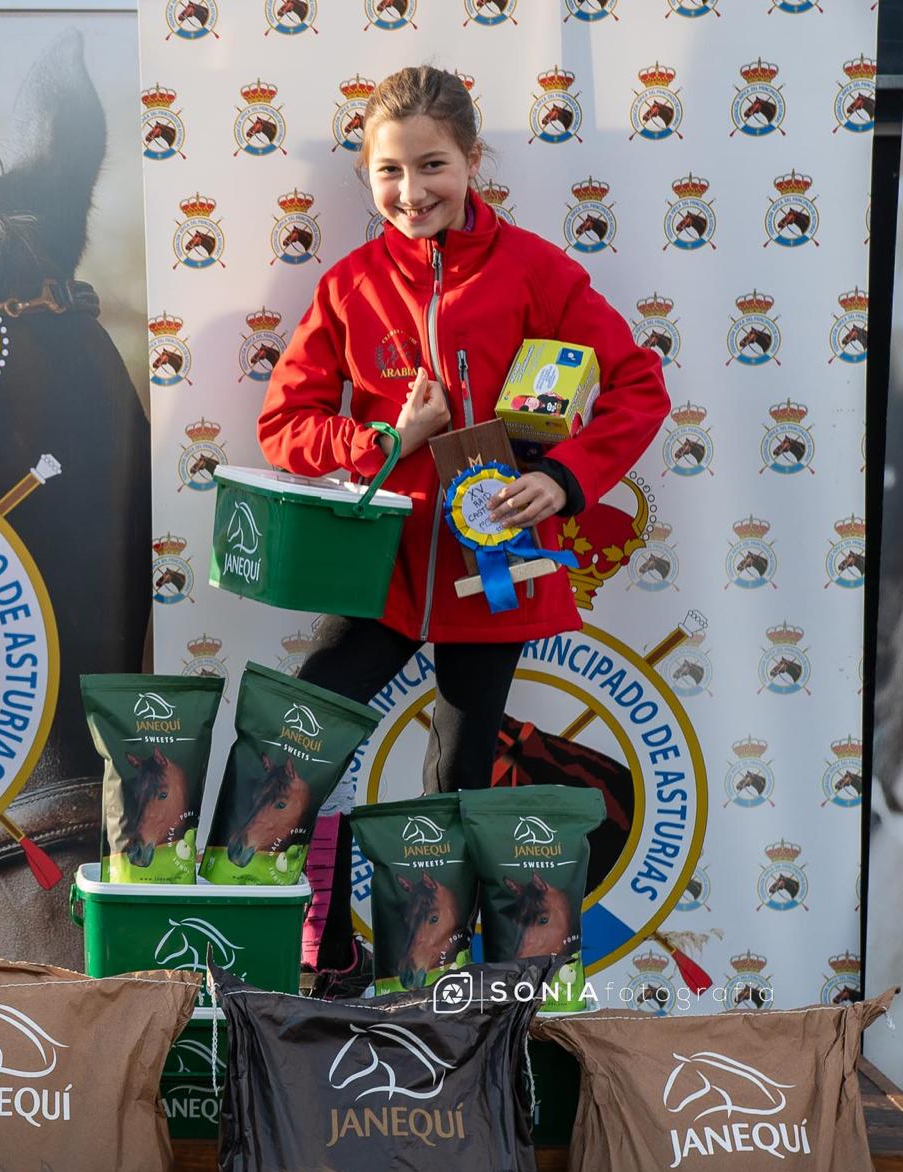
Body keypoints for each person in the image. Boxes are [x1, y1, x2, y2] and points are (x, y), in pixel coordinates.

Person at [257, 66, 668, 980]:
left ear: (474, 160)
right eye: (389, 173)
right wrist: (387, 438)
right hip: (381, 570)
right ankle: (312, 939)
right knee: (297, 739)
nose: (412, 193)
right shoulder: (351, 286)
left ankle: (449, 975)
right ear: (366, 174)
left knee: (461, 775)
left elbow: (639, 386)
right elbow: (283, 428)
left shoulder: (538, 273)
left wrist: (564, 479)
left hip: (497, 576)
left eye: (433, 166)